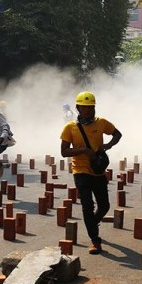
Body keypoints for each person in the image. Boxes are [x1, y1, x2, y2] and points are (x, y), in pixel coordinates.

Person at [60, 91, 122, 254]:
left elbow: (117, 134)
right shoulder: (70, 127)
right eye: (84, 108)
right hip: (80, 171)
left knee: (104, 206)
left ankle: (92, 224)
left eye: (90, 107)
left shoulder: (101, 123)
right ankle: (95, 241)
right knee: (87, 206)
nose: (87, 110)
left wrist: (107, 146)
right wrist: (84, 151)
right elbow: (64, 151)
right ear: (78, 108)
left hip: (98, 170)